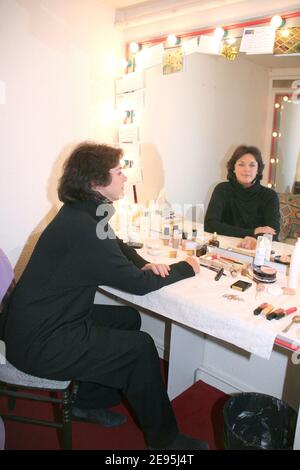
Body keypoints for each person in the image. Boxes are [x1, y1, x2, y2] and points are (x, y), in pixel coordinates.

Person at [3, 142, 208, 450]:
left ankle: (86, 401)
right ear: (96, 183)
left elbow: (115, 241)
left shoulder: (82, 212)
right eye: (119, 171)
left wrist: (145, 262)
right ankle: (165, 440)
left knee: (129, 318)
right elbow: (138, 284)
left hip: (38, 322)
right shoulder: (82, 226)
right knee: (140, 347)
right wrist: (187, 267)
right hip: (40, 342)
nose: (126, 177)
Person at [204, 145, 280, 245]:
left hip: (256, 249)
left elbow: (273, 232)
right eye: (241, 164)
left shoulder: (270, 196)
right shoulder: (222, 189)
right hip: (225, 247)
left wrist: (254, 239)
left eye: (252, 165)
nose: (247, 169)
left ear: (258, 169)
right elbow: (210, 225)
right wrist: (252, 232)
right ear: (233, 168)